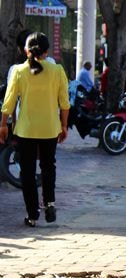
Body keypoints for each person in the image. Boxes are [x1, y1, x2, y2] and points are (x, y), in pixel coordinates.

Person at [0, 32, 70, 227]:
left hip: (26, 130)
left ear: (25, 50)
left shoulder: (19, 71)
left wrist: (3, 125)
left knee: (28, 172)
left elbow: (9, 102)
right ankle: (49, 204)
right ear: (47, 51)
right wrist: (64, 125)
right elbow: (65, 103)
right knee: (49, 167)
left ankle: (32, 214)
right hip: (50, 128)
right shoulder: (57, 70)